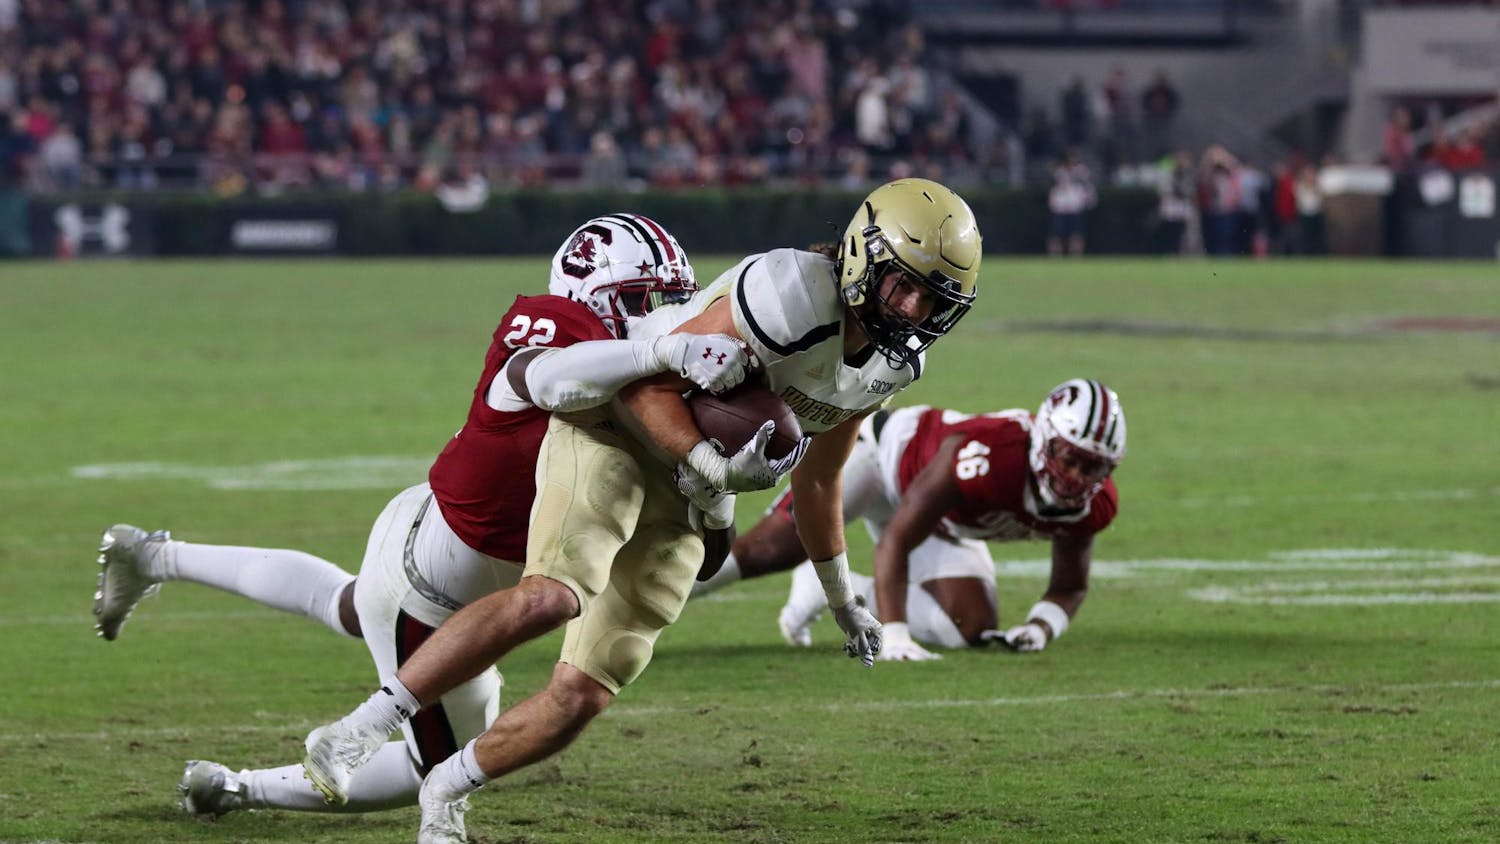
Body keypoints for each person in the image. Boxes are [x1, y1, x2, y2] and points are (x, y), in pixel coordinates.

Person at [299, 178, 983, 843]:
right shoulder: (789, 293)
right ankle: (357, 729)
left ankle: (445, 792)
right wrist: (712, 462)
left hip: (692, 492)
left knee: (586, 690)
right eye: (904, 284)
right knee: (551, 597)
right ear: (865, 256)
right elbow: (648, 386)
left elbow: (821, 481)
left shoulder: (892, 366)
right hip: (619, 431)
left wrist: (841, 600)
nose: (914, 310)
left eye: (933, 299)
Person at [92, 213, 754, 815]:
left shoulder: (647, 378)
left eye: (672, 300)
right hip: (433, 592)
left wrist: (720, 478)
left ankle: (154, 555)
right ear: (593, 296)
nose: (664, 316)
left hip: (432, 533)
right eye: (646, 300)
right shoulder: (560, 327)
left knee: (349, 606)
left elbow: (699, 554)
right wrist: (662, 353)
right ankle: (238, 786)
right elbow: (554, 379)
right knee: (429, 767)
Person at [693, 379, 1126, 661]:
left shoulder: (1093, 504)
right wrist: (895, 636)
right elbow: (897, 540)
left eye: (1093, 468)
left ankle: (821, 589)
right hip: (878, 459)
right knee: (767, 550)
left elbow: (1069, 584)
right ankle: (649, 593)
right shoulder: (991, 458)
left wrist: (1040, 627)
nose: (1076, 478)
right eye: (1070, 459)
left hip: (944, 514)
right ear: (1045, 440)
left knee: (970, 626)